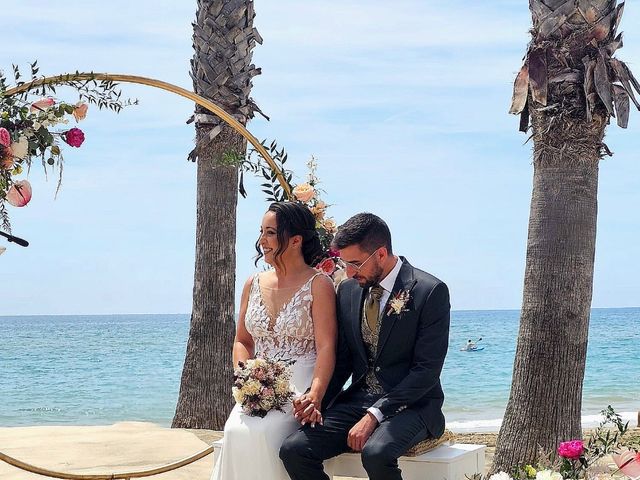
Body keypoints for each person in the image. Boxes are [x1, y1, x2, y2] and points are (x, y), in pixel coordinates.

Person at [280, 212, 450, 480]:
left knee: (376, 453)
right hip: (358, 399)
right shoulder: (348, 291)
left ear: (381, 254)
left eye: (356, 263)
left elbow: (426, 372)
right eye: (344, 263)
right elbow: (344, 360)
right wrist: (317, 399)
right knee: (294, 449)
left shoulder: (429, 291)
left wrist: (374, 414)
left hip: (415, 405)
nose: (348, 272)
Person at [210, 202, 337, 480]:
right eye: (261, 232)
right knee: (233, 430)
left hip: (300, 380)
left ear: (295, 240)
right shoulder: (252, 283)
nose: (262, 241)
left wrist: (314, 395)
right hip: (257, 383)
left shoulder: (319, 285)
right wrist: (246, 376)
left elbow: (327, 346)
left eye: (270, 233)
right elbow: (242, 339)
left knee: (266, 433)